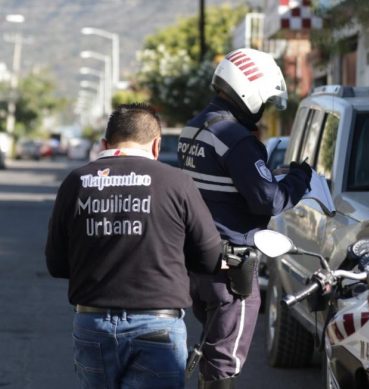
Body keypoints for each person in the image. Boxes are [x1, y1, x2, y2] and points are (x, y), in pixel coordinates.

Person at [45, 103, 223, 389]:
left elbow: (56, 264)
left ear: (105, 143)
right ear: (156, 145)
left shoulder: (76, 182)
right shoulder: (177, 183)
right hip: (158, 328)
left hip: (93, 324)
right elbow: (210, 257)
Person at [178, 48, 312, 389]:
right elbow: (269, 200)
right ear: (247, 91)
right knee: (225, 361)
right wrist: (300, 177)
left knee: (211, 350)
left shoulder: (194, 128)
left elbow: (222, 185)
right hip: (230, 267)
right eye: (264, 101)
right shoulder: (235, 138)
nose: (264, 110)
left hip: (197, 258)